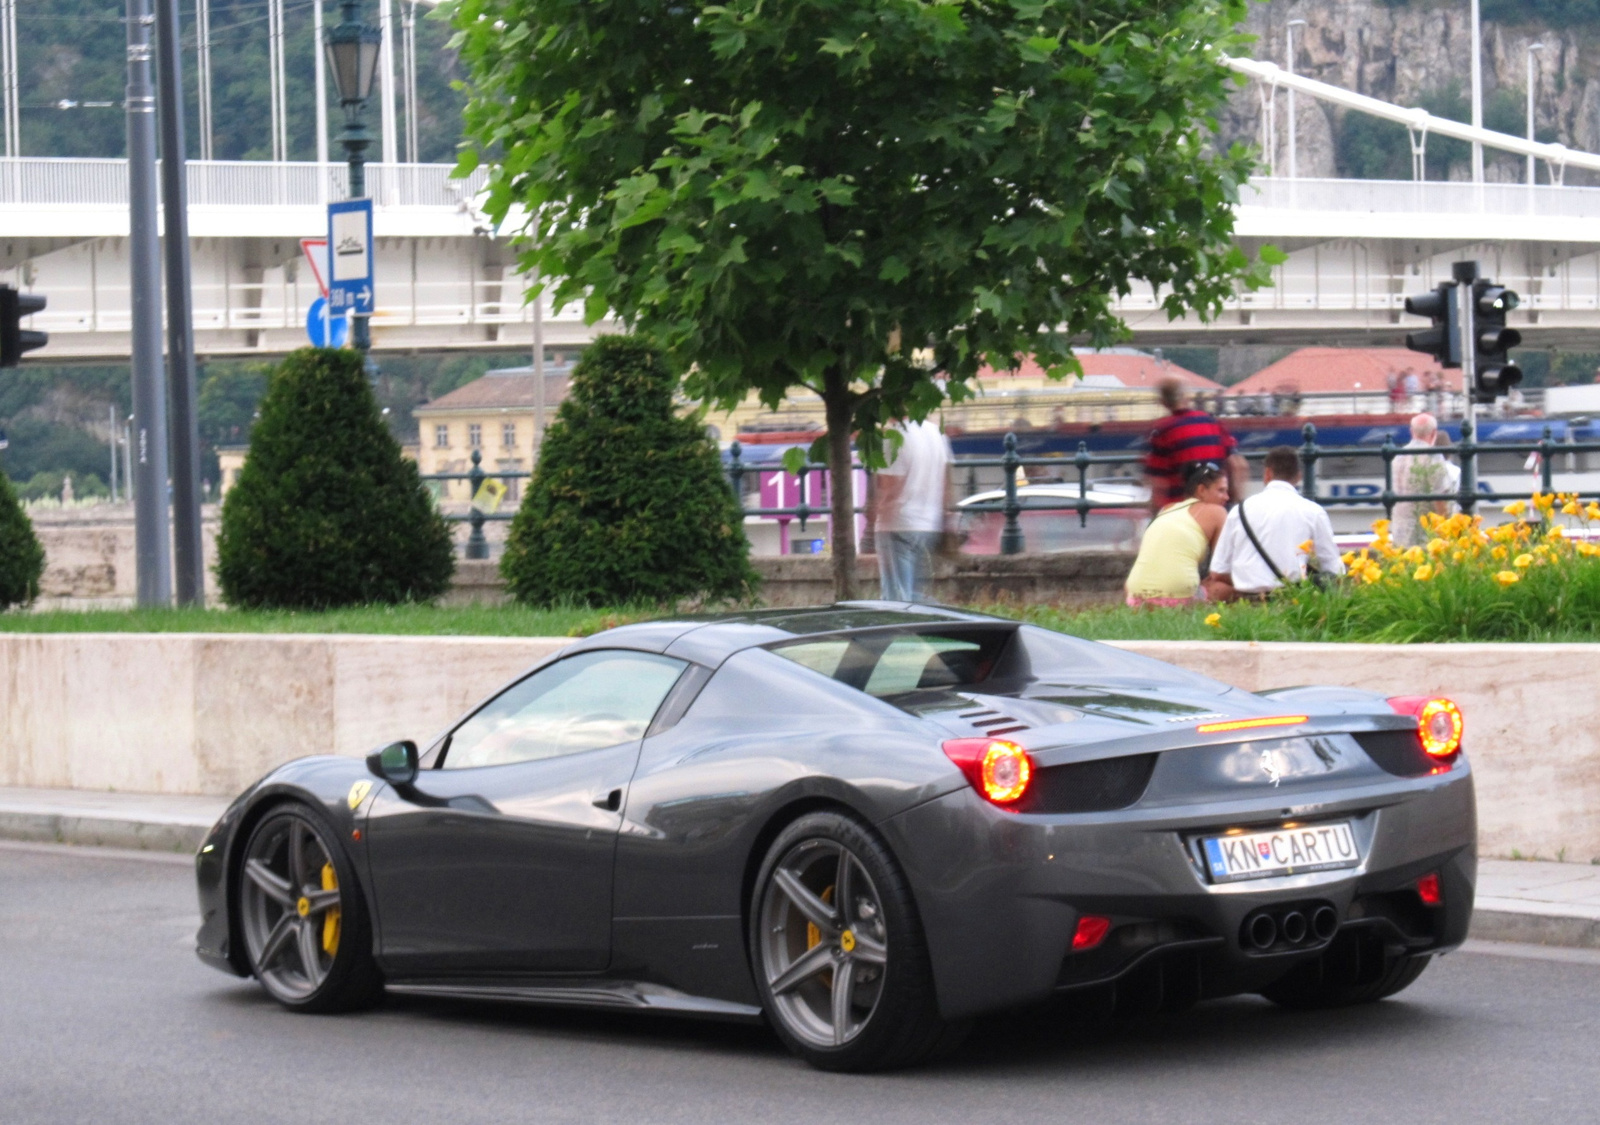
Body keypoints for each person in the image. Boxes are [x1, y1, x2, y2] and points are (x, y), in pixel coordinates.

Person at [1205, 446, 1344, 600]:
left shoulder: (1239, 511)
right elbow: (1333, 568)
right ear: (1298, 476)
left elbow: (1218, 571)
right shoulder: (1313, 511)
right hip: (1293, 601)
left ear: (1268, 474)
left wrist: (1247, 581)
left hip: (1246, 602)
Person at [1124, 461, 1230, 607]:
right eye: (1221, 490)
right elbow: (1221, 569)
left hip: (1134, 596)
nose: (1227, 497)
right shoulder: (1217, 512)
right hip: (1179, 597)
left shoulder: (1166, 509)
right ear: (1201, 490)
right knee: (1230, 588)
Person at [875, 417, 953, 603]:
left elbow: (891, 488)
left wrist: (879, 525)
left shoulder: (894, 436)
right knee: (917, 596)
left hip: (900, 525)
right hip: (930, 526)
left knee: (897, 599)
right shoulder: (937, 434)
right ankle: (934, 622)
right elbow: (946, 484)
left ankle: (908, 627)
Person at [1144, 377, 1246, 516]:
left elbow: (1159, 484)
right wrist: (1235, 503)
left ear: (1163, 402)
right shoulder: (1212, 422)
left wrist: (1155, 517)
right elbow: (1238, 465)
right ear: (1186, 397)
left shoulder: (1162, 431)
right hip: (1217, 510)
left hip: (1181, 513)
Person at [1392, 413, 1458, 548]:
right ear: (1434, 433)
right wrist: (1446, 531)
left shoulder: (1398, 456)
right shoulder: (1433, 456)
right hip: (1423, 532)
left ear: (1411, 431)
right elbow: (1439, 498)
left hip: (1400, 528)